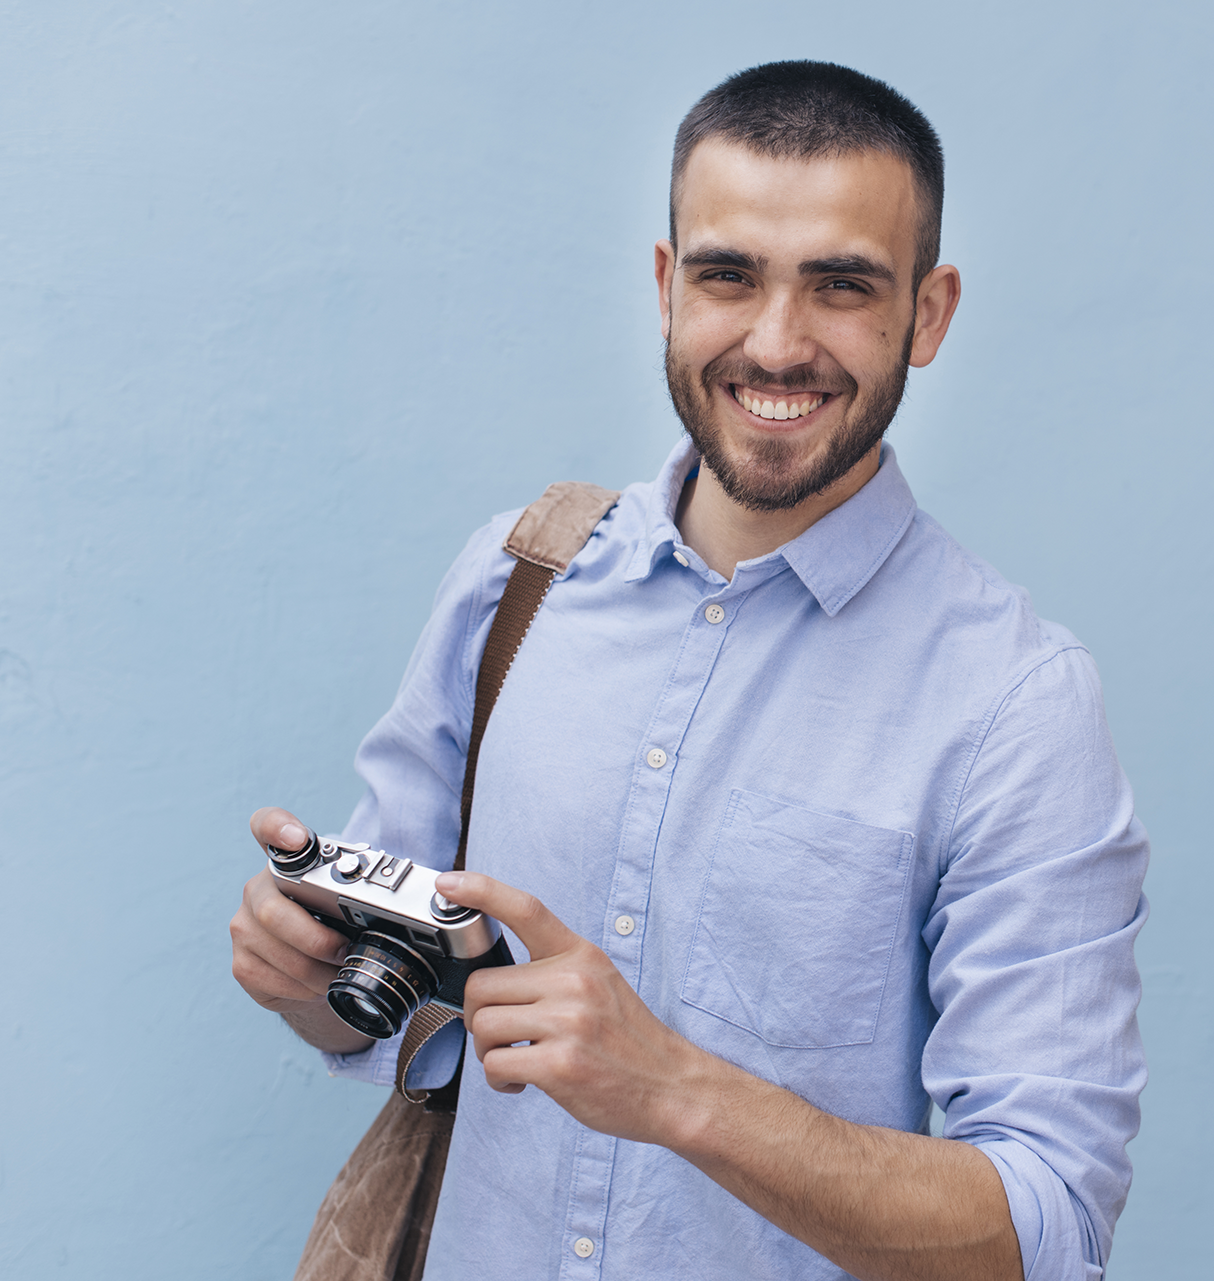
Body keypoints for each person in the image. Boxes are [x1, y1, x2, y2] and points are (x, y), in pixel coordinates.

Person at [229, 60, 1148, 1281]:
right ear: (667, 288)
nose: (777, 343)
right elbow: (394, 997)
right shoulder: (515, 582)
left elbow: (1049, 1221)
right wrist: (304, 977)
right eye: (729, 275)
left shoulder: (1015, 706)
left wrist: (676, 1091)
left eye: (841, 286)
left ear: (928, 314)